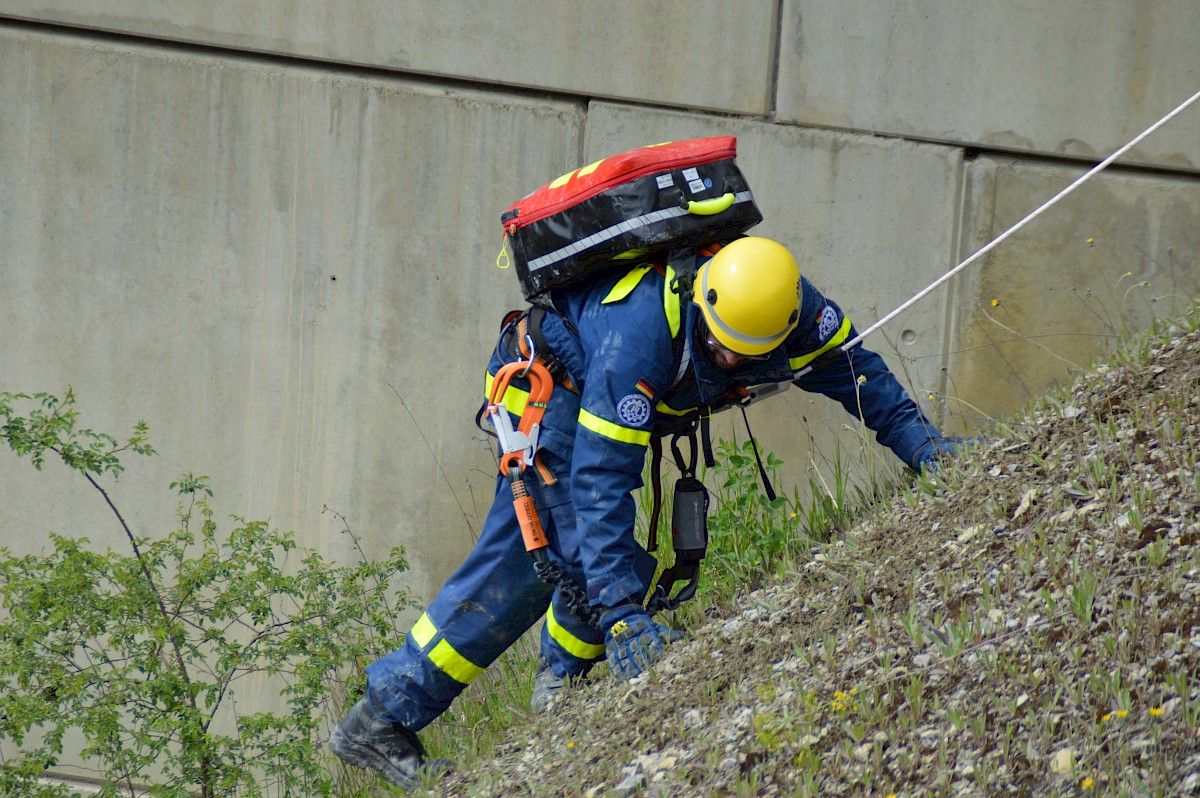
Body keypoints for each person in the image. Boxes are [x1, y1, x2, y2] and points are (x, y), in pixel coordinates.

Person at [329, 236, 967, 788]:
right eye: (721, 352)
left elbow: (862, 377)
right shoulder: (639, 335)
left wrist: (926, 449)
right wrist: (624, 617)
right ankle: (381, 718)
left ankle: (563, 687)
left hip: (593, 385)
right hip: (550, 387)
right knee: (552, 555)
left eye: (746, 359)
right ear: (702, 304)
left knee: (603, 563)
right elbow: (602, 479)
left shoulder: (797, 313)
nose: (731, 366)